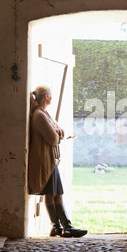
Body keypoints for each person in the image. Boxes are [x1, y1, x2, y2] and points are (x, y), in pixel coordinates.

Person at [28, 85, 87, 238]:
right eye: (50, 95)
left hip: (49, 160)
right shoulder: (40, 115)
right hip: (46, 161)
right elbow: (53, 139)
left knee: (53, 193)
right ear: (45, 97)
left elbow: (58, 131)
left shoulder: (43, 113)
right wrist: (59, 133)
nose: (52, 98)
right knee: (55, 193)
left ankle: (58, 227)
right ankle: (65, 226)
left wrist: (58, 131)